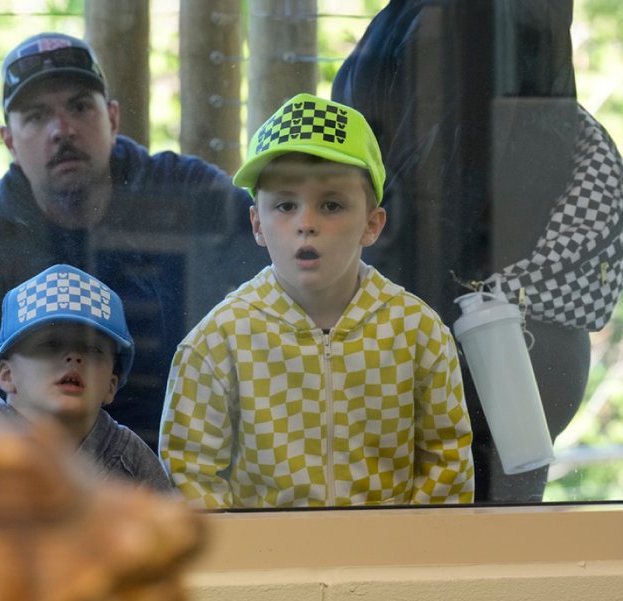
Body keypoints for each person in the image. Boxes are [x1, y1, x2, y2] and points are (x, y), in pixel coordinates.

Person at [0, 31, 269, 450]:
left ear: (111, 119)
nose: (62, 130)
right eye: (36, 116)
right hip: (41, 488)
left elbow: (290, 257)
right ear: (10, 142)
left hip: (192, 467)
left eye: (79, 106)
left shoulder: (188, 197)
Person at [332, 0, 623, 502]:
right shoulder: (421, 17)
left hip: (491, 331)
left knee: (471, 555)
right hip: (483, 325)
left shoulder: (476, 18)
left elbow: (456, 186)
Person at [158, 95, 474, 509]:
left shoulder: (419, 333)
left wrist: (406, 558)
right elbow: (190, 475)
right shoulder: (218, 343)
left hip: (391, 563)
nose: (306, 224)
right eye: (285, 205)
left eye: (331, 205)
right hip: (267, 565)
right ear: (257, 224)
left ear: (372, 223)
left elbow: (447, 465)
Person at [0, 264, 173, 491]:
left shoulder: (130, 458)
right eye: (50, 344)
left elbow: (173, 523)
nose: (74, 357)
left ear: (111, 385)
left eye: (93, 349)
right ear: (7, 374)